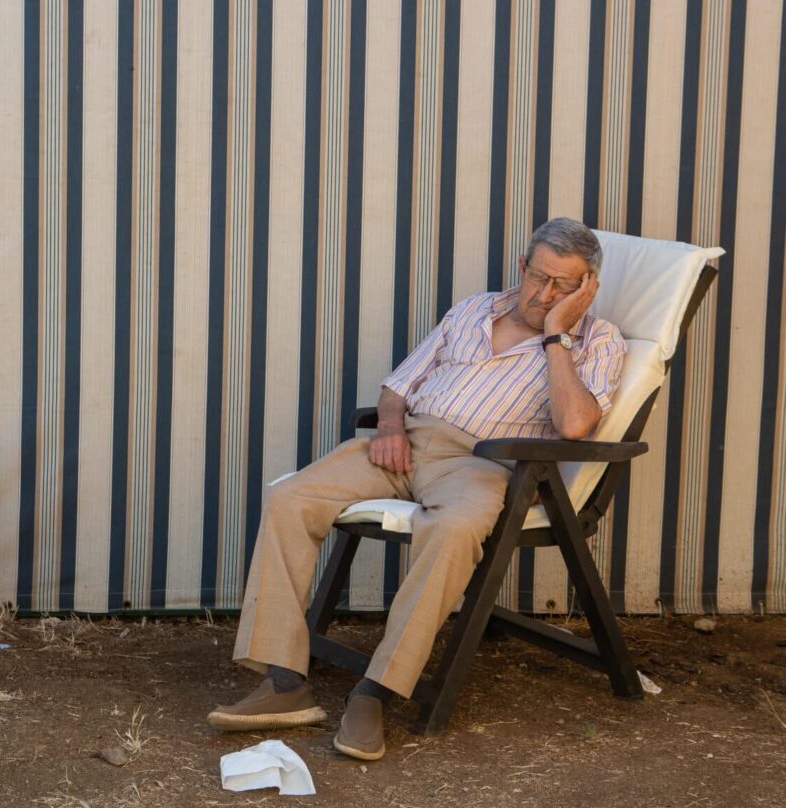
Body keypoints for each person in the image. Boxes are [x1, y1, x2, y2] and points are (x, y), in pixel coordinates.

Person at [207, 218, 626, 760]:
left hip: (483, 462)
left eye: (564, 286)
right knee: (290, 499)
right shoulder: (474, 309)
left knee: (451, 532)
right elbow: (398, 385)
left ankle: (375, 691)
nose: (545, 294)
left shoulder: (598, 341)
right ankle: (286, 684)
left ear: (586, 286)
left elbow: (574, 425)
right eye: (539, 278)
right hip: (403, 444)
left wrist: (557, 334)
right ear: (522, 267)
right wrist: (387, 429)